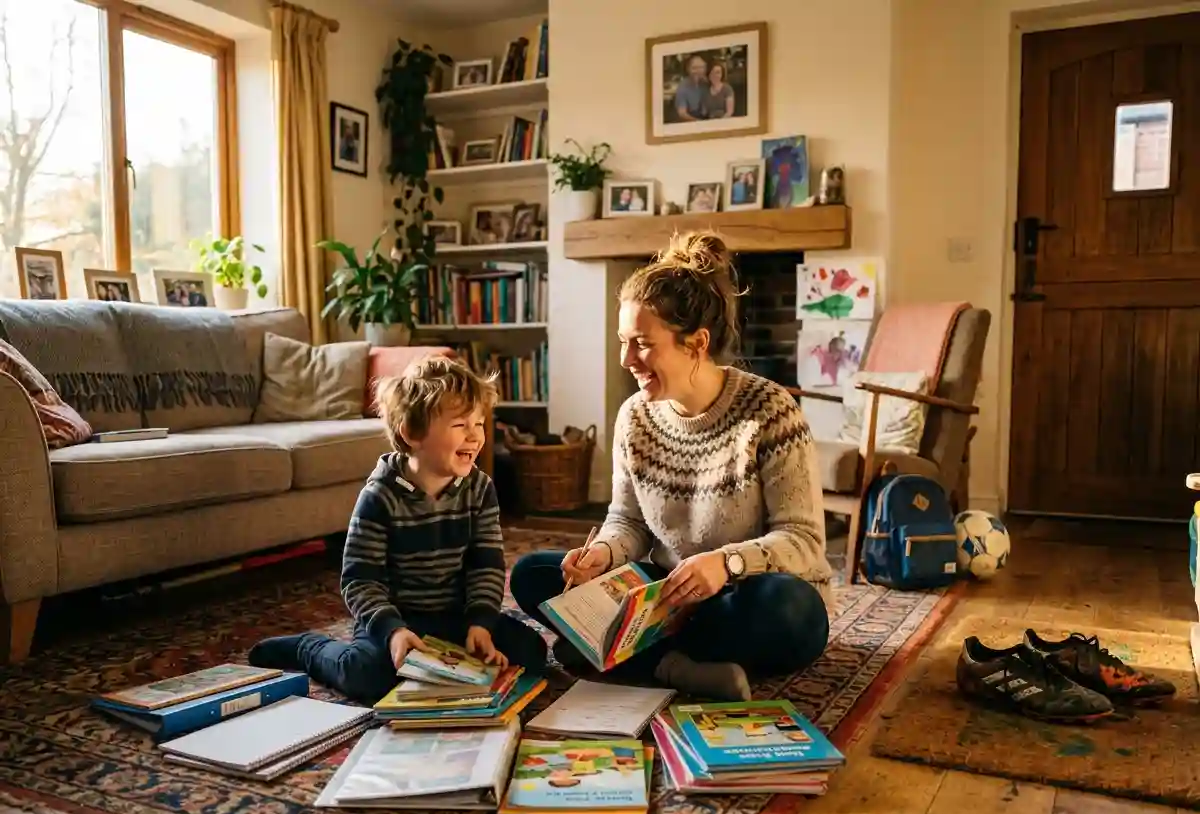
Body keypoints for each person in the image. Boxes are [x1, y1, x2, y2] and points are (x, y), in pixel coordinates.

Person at [510, 231, 833, 701]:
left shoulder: (770, 410)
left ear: (696, 343)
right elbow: (628, 522)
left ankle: (621, 649)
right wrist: (602, 553)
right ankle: (677, 666)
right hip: (665, 599)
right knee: (534, 575)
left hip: (742, 596)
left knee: (792, 611)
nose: (626, 360)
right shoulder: (635, 418)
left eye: (642, 343)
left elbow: (803, 541)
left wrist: (727, 563)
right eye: (624, 342)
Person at [248, 355, 548, 706]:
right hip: (396, 619)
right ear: (412, 433)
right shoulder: (379, 497)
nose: (475, 436)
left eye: (479, 424)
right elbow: (360, 580)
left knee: (532, 653)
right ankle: (309, 648)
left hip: (455, 616)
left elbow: (486, 565)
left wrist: (480, 622)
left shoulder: (480, 489)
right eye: (459, 425)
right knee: (369, 678)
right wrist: (392, 632)